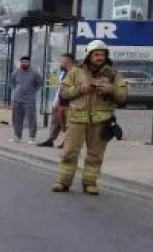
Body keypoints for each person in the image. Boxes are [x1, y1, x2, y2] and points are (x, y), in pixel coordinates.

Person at [52, 40, 126, 195]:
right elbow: (64, 92)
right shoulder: (76, 71)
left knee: (95, 154)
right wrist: (81, 89)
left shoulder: (113, 74)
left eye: (103, 54)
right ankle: (63, 182)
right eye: (96, 54)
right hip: (77, 118)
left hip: (101, 120)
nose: (100, 57)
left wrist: (110, 90)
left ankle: (89, 183)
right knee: (69, 152)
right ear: (89, 55)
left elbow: (123, 97)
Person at [37, 53, 75, 148]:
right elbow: (60, 88)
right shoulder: (63, 73)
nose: (61, 63)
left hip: (69, 104)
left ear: (68, 61)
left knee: (67, 124)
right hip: (59, 102)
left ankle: (67, 141)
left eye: (63, 61)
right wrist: (56, 101)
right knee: (55, 121)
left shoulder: (74, 73)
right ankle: (51, 139)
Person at [10, 55, 43, 144]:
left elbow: (40, 84)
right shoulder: (16, 72)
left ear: (29, 62)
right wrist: (17, 91)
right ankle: (17, 136)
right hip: (17, 99)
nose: (24, 64)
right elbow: (12, 83)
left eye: (26, 62)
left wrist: (33, 91)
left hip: (29, 100)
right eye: (22, 62)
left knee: (31, 119)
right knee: (16, 119)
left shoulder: (35, 73)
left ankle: (32, 137)